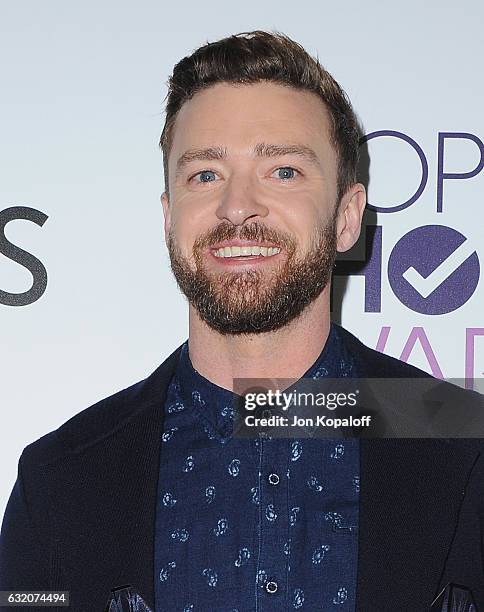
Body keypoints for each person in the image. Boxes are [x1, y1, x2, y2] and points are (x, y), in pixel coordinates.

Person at [1, 30, 483, 612]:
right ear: (168, 217)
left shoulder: (467, 447)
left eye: (283, 171)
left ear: (347, 216)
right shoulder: (63, 478)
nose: (236, 207)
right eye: (205, 175)